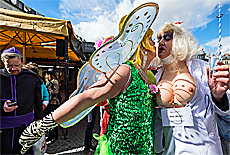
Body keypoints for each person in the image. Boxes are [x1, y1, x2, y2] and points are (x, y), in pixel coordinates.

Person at [19, 2, 159, 154]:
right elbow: (87, 97)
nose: (155, 43)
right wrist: (41, 127)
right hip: (121, 150)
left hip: (143, 149)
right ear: (142, 43)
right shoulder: (125, 71)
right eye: (151, 39)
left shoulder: (145, 75)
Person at [151, 22, 230, 155]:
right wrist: (157, 150)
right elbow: (156, 120)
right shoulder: (156, 76)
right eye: (158, 39)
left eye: (167, 37)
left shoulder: (202, 69)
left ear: (179, 40)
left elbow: (225, 113)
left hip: (205, 150)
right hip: (171, 151)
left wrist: (219, 98)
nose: (160, 42)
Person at [0, 47, 43, 154]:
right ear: (3, 62)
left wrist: (39, 119)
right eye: (9, 66)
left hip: (26, 125)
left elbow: (38, 100)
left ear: (22, 62)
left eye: (17, 65)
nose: (13, 69)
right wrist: (2, 105)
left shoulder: (32, 77)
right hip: (4, 127)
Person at [43, 68, 60, 143]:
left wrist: (48, 90)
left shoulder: (54, 81)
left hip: (54, 103)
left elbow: (56, 91)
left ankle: (55, 136)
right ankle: (50, 135)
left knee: (53, 120)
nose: (46, 76)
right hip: (49, 103)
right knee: (49, 120)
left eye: (47, 74)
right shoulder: (48, 82)